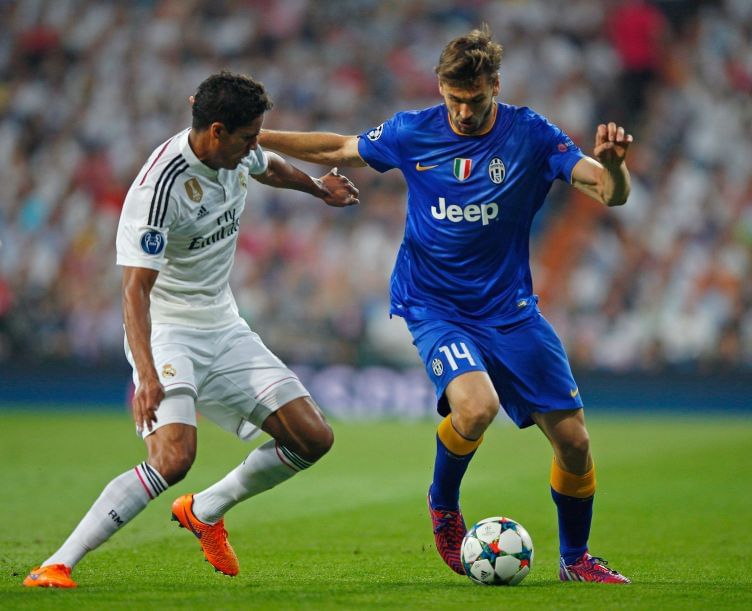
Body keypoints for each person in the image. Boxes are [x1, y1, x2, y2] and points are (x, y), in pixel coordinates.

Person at [256, 26, 633, 583]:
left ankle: (575, 561)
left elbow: (608, 192)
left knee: (575, 443)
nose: (462, 112)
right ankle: (443, 504)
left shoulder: (531, 134)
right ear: (439, 87)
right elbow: (339, 148)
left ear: (495, 87)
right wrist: (256, 136)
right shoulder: (413, 131)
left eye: (475, 100)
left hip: (510, 310)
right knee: (475, 407)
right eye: (454, 99)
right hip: (434, 304)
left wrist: (615, 166)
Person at [23, 71, 359, 588]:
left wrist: (317, 189)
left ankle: (205, 510)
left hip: (223, 323)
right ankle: (57, 563)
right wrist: (148, 374)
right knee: (174, 457)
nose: (255, 144)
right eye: (248, 136)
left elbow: (268, 165)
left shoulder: (238, 151)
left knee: (313, 438)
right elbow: (134, 291)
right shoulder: (159, 189)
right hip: (169, 329)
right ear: (216, 131)